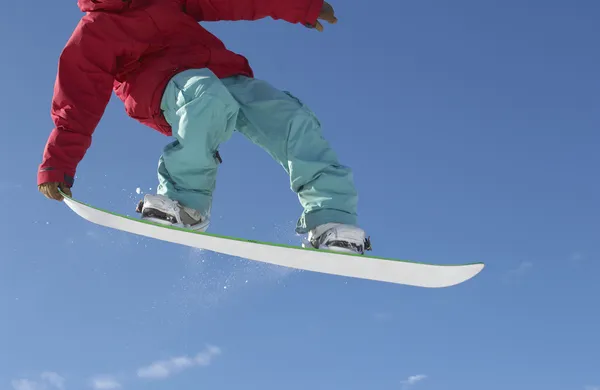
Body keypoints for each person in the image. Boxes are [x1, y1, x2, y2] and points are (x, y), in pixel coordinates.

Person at [37, 0, 371, 254]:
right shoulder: (95, 31)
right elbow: (76, 102)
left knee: (289, 116)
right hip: (167, 87)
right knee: (204, 97)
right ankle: (185, 203)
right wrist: (58, 164)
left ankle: (332, 217)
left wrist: (301, 6)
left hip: (224, 73)